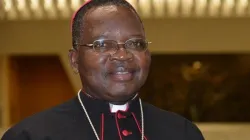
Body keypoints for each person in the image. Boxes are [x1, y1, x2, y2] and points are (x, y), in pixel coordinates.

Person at [2, 0, 204, 139]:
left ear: (148, 55)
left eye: (135, 43)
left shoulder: (183, 133)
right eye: (102, 45)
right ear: (74, 60)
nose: (122, 55)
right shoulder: (30, 136)